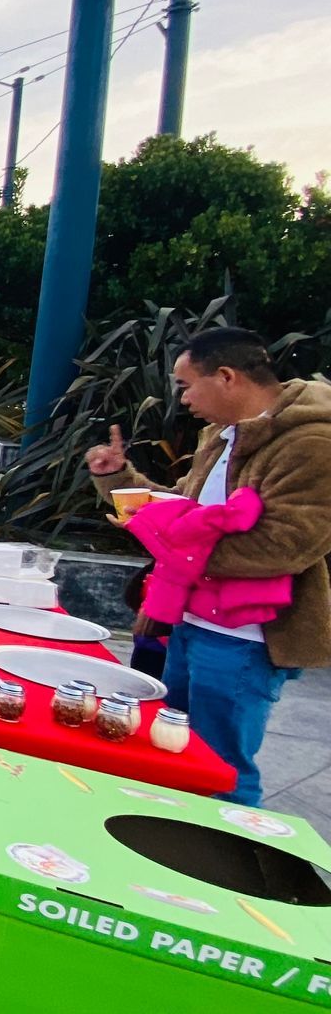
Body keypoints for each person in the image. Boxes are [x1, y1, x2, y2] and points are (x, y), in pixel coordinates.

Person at [88, 327, 331, 806]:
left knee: (221, 766)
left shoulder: (312, 442)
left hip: (245, 636)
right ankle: (171, 845)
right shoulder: (223, 435)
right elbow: (185, 508)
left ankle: (231, 869)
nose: (183, 400)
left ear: (226, 376)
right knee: (173, 748)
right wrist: (117, 477)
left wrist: (174, 545)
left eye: (185, 385)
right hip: (191, 619)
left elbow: (287, 545)